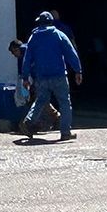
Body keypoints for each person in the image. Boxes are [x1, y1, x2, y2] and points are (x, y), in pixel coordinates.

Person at [21, 11, 83, 141]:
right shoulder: (59, 35)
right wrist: (78, 71)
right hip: (59, 75)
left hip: (41, 77)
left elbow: (27, 59)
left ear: (39, 22)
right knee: (65, 102)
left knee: (41, 100)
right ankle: (65, 132)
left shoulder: (33, 37)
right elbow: (71, 53)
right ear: (51, 22)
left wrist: (25, 77)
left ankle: (28, 121)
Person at [10, 38, 58, 137]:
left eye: (13, 52)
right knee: (41, 99)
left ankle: (32, 123)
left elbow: (24, 72)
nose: (13, 55)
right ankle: (55, 117)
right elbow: (22, 73)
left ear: (16, 49)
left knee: (38, 100)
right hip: (39, 78)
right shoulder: (23, 55)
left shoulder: (26, 52)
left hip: (40, 78)